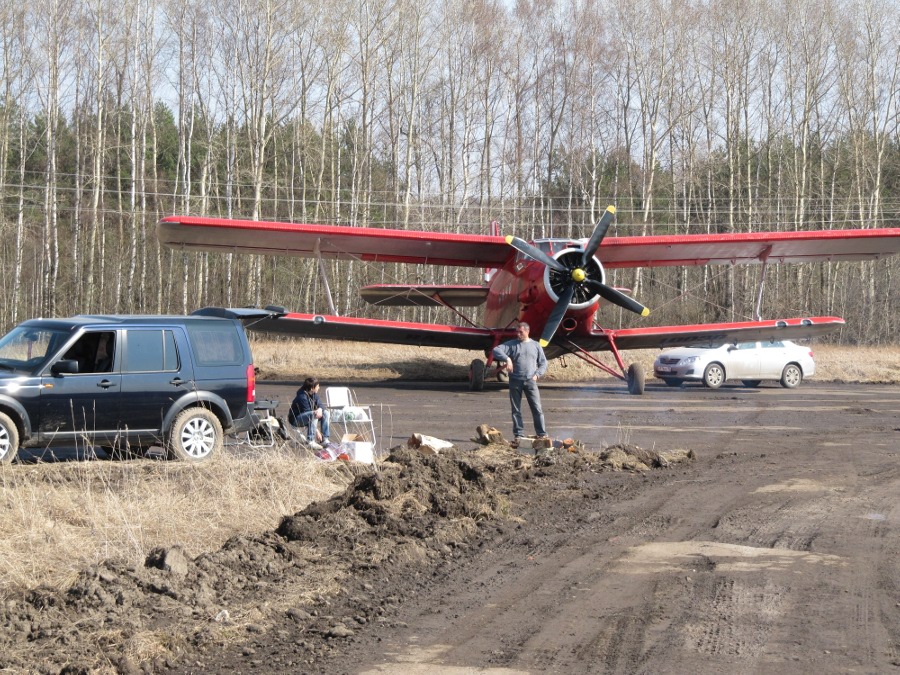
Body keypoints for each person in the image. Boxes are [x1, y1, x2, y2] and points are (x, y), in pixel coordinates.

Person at [492, 322, 548, 445]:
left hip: (531, 381)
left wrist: (537, 375)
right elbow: (496, 350)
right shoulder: (512, 344)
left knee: (537, 408)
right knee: (516, 409)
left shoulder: (536, 345)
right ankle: (519, 434)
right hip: (515, 381)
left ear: (528, 331)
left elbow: (543, 363)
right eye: (517, 332)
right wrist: (507, 359)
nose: (518, 334)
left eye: (520, 332)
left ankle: (542, 434)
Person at [288, 377, 331, 448]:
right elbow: (309, 415)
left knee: (325, 413)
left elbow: (320, 404)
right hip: (296, 419)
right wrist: (317, 432)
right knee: (313, 414)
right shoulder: (302, 397)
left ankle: (325, 440)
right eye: (317, 386)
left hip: (309, 416)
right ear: (312, 388)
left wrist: (320, 409)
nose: (319, 388)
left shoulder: (313, 394)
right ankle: (310, 441)